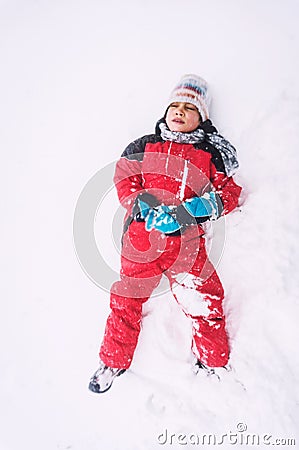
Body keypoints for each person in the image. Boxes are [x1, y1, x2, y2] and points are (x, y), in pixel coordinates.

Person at [89, 74, 242, 393]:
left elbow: (229, 193)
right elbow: (125, 175)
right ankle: (113, 362)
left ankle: (214, 362)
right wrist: (140, 203)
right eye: (175, 104)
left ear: (202, 118)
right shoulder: (145, 146)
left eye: (190, 107)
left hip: (185, 243)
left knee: (206, 297)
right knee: (126, 299)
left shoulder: (209, 155)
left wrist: (195, 210)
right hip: (142, 239)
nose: (180, 111)